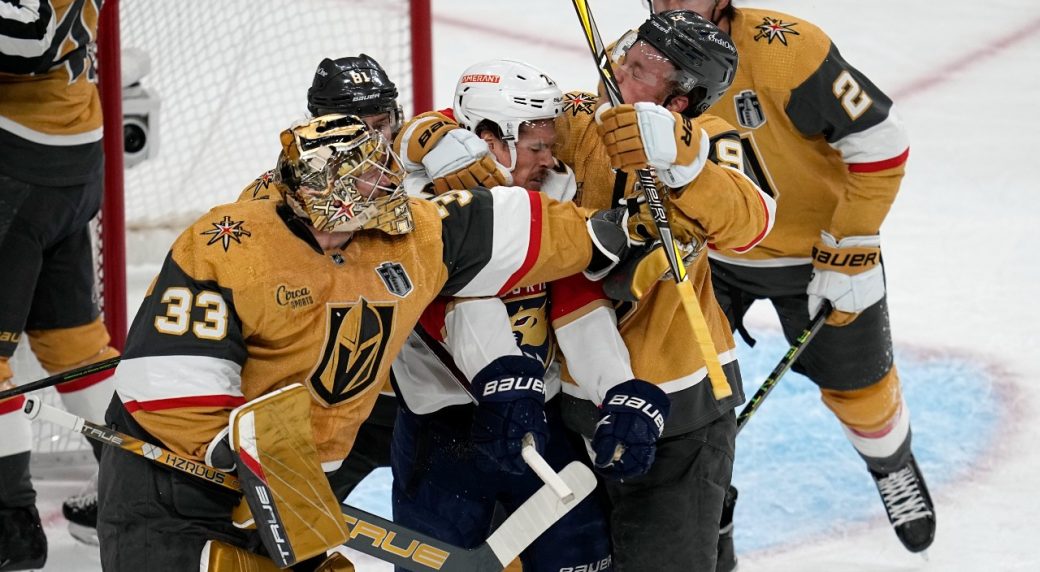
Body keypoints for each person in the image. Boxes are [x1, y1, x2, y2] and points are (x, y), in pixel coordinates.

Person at [95, 113, 635, 570]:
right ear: (325, 193)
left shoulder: (408, 235)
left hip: (297, 481)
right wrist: (238, 461)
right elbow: (170, 376)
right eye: (369, 180)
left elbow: (505, 223)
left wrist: (603, 236)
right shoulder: (230, 245)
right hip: (178, 484)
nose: (388, 184)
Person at [651, 1, 936, 567]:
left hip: (816, 253)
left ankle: (890, 461)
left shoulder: (787, 50)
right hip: (705, 254)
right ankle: (710, 509)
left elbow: (880, 141)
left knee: (863, 388)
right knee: (680, 400)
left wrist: (850, 246)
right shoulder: (636, 62)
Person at [550, 11, 774, 571]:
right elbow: (502, 130)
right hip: (569, 398)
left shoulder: (711, 141)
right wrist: (423, 140)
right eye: (629, 51)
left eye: (643, 67)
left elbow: (753, 221)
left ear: (681, 99)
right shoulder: (583, 115)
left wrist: (683, 161)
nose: (622, 66)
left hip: (681, 410)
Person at [389, 59, 611, 572]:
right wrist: (421, 133)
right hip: (441, 428)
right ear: (489, 139)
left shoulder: (553, 193)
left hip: (538, 414)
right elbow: (458, 303)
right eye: (536, 147)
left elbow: (577, 300)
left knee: (583, 560)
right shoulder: (419, 209)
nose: (550, 161)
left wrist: (616, 387)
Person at [240, 54, 406, 502]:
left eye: (381, 123)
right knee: (280, 523)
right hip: (323, 398)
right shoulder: (271, 198)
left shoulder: (420, 181)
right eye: (358, 126)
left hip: (410, 397)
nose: (376, 141)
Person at [0, 0, 120, 564]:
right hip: (69, 155)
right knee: (75, 343)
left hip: (18, 169)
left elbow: (28, 37)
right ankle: (135, 492)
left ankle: (10, 526)